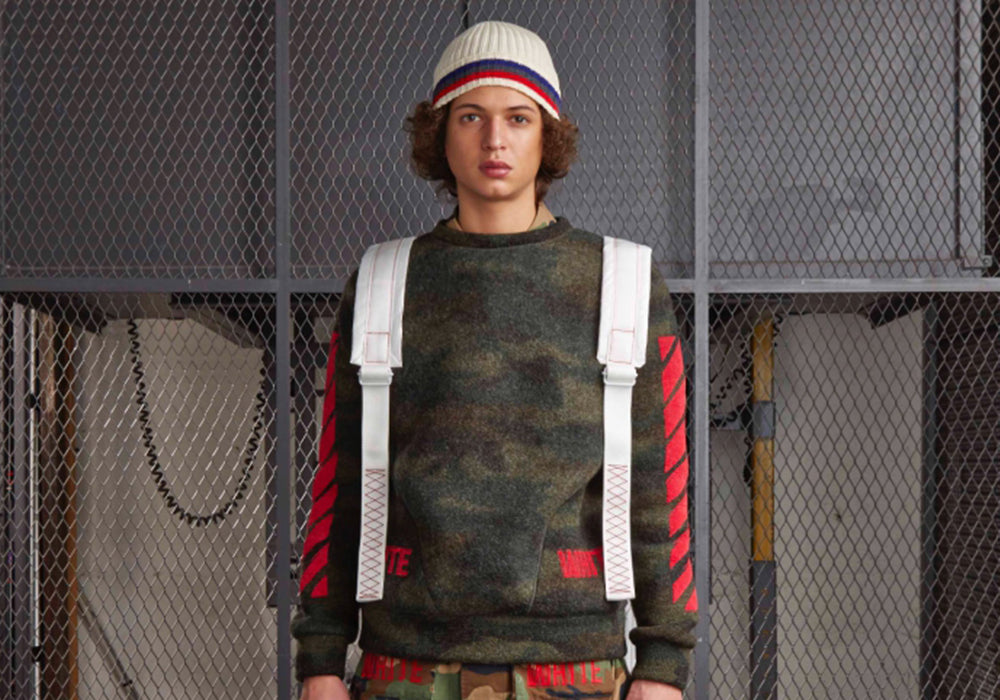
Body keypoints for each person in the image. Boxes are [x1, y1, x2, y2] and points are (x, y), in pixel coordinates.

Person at [292, 20, 698, 700]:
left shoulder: (622, 281)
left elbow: (660, 487)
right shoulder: (383, 281)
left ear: (548, 136)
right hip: (405, 668)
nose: (494, 140)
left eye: (518, 117)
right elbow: (340, 480)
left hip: (574, 670)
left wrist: (663, 665)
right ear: (440, 135)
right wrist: (321, 659)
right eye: (470, 116)